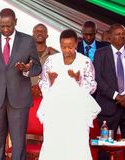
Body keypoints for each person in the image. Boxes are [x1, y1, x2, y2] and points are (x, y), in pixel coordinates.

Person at [0, 8, 42, 160]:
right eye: (2, 26)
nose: (5, 29)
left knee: (18, 144)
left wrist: (26, 70)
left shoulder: (27, 41)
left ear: (16, 22)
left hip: (19, 99)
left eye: (9, 26)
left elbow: (37, 67)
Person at [37, 29, 101, 160]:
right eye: (63, 47)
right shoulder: (51, 60)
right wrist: (50, 81)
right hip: (55, 111)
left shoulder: (85, 61)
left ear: (76, 44)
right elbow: (42, 83)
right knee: (53, 144)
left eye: (70, 47)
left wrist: (79, 80)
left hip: (76, 112)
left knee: (77, 145)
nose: (67, 50)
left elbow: (93, 86)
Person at [93, 24, 125, 160]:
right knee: (106, 147)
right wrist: (116, 96)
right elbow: (97, 79)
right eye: (118, 34)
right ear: (110, 36)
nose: (122, 36)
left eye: (123, 33)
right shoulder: (100, 53)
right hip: (108, 107)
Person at [31, 23, 58, 98]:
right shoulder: (25, 54)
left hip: (48, 97)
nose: (40, 32)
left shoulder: (55, 55)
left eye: (43, 31)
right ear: (32, 36)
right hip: (28, 97)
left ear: (47, 36)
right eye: (37, 31)